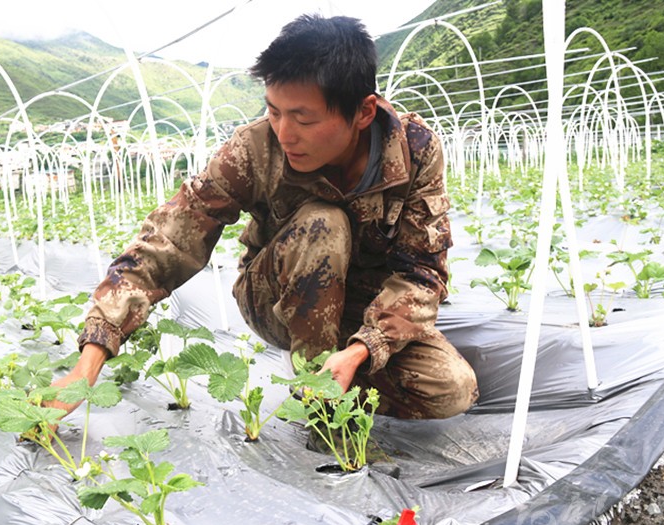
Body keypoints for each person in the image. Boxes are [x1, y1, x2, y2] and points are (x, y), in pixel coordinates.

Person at [50, 14, 478, 422]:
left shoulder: (414, 151)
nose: (284, 133)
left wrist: (363, 348)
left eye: (303, 118)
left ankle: (336, 370)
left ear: (363, 112)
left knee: (450, 389)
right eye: (274, 111)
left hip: (362, 306)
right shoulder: (253, 149)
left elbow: (421, 273)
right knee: (323, 223)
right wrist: (90, 359)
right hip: (273, 298)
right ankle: (320, 406)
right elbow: (170, 242)